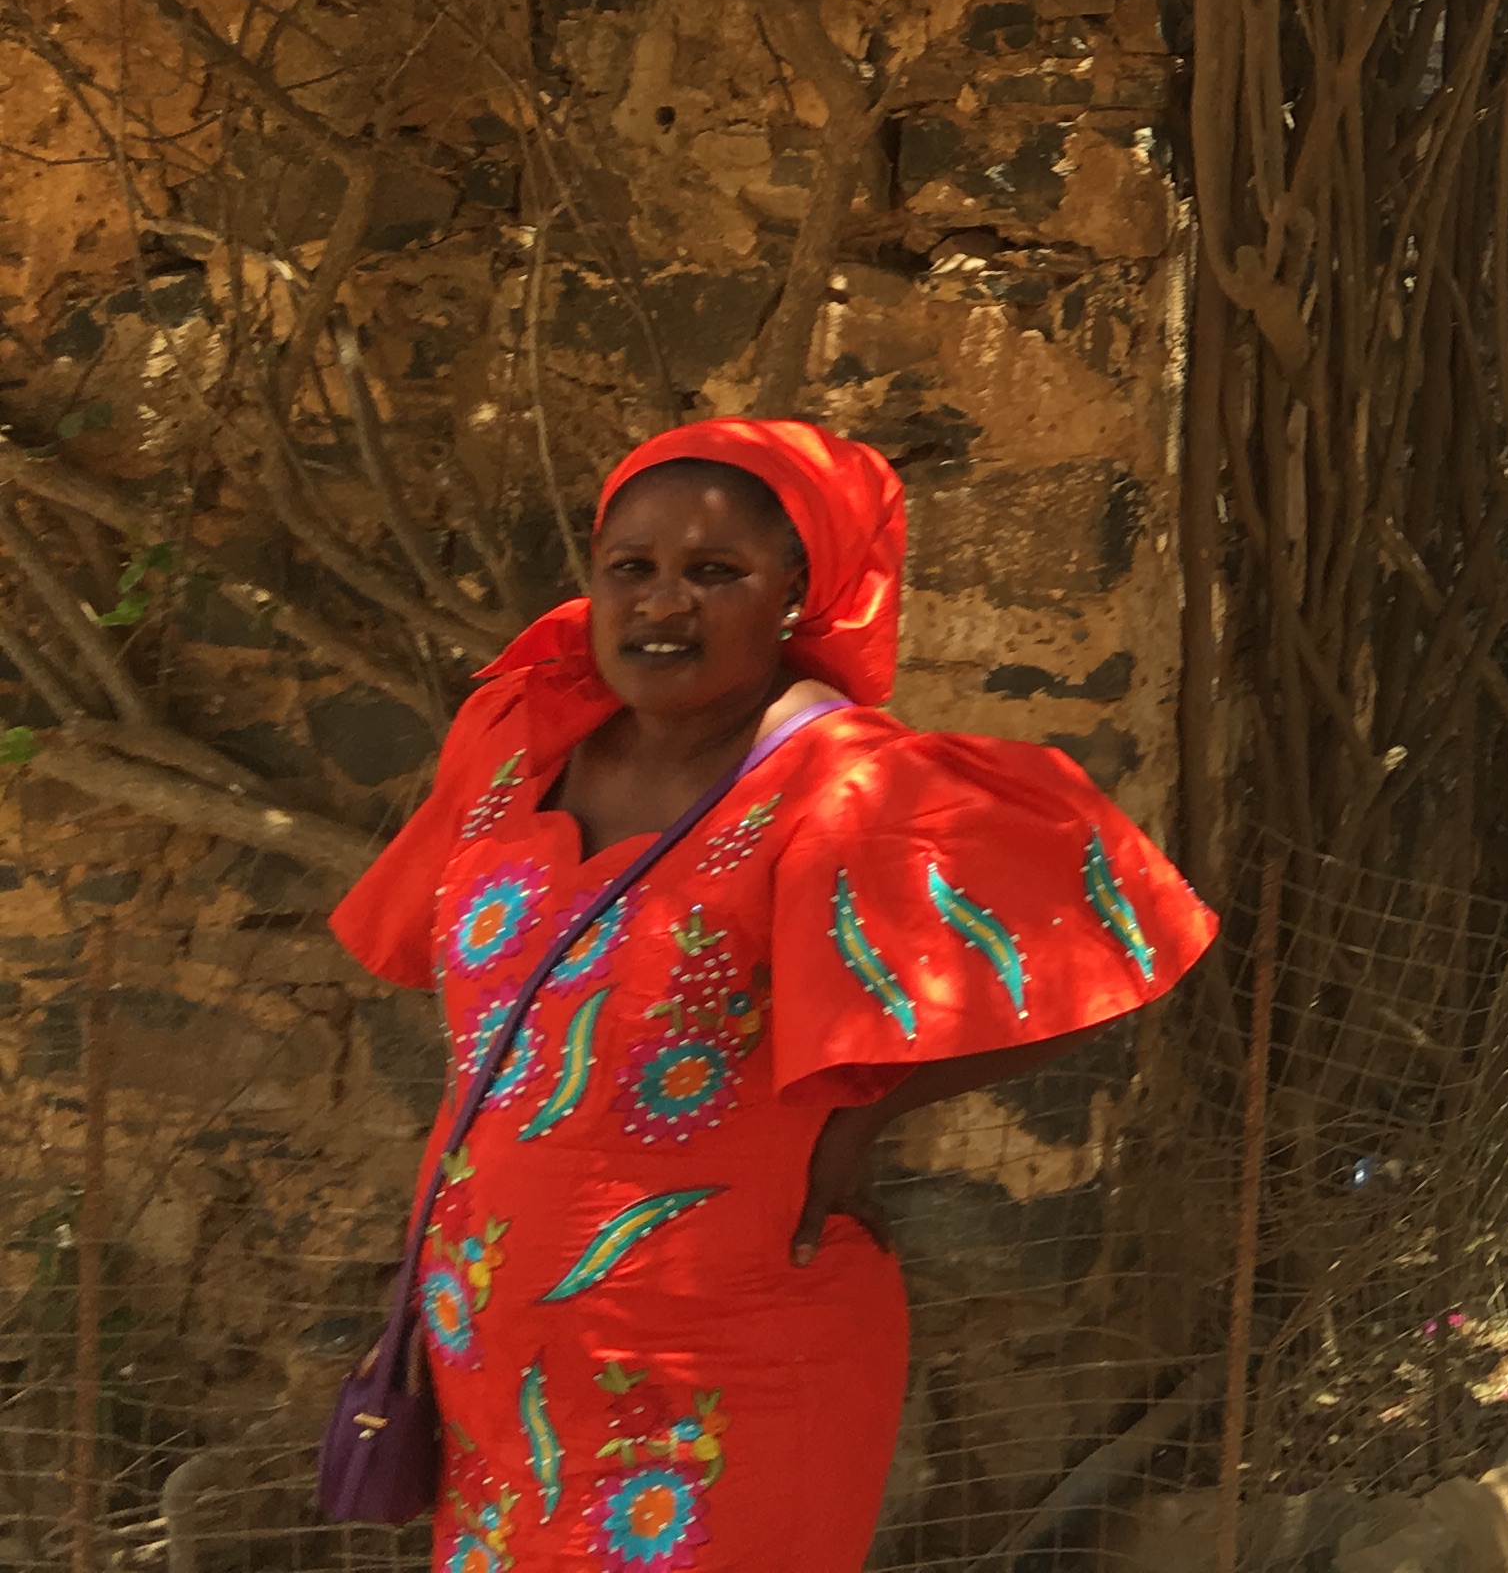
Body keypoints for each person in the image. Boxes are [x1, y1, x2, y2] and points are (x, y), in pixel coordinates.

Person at [331, 418, 1217, 1573]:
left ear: (799, 595)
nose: (661, 605)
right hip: (486, 1365)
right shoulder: (519, 748)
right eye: (631, 570)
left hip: (724, 1374)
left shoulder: (844, 783)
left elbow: (1093, 944)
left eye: (715, 574)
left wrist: (864, 1116)